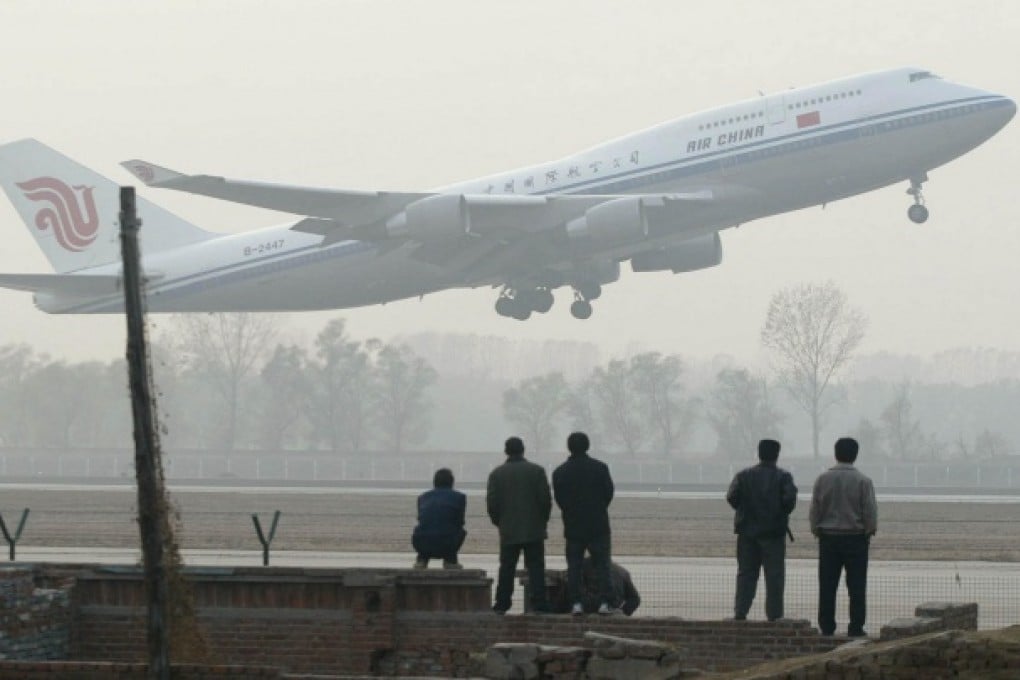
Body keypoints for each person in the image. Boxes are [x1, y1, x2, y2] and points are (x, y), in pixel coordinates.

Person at [809, 437, 878, 637]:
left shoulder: (822, 479)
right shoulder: (863, 481)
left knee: (827, 585)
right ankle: (855, 626)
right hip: (855, 538)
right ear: (855, 455)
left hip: (829, 539)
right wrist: (869, 531)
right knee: (856, 586)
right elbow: (870, 512)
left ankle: (827, 626)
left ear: (835, 453)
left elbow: (815, 509)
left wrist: (817, 530)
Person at [726, 438, 798, 622]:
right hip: (773, 534)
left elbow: (732, 497)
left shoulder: (743, 476)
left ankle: (740, 611)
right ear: (777, 455)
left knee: (746, 573)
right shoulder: (783, 477)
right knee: (774, 576)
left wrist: (745, 511)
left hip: (747, 533)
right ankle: (774, 615)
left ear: (758, 453)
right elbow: (789, 501)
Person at [486, 436, 553, 614]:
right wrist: (541, 521)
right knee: (536, 567)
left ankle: (502, 603)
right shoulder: (537, 471)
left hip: (508, 529)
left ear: (506, 451)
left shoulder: (496, 474)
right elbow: (545, 501)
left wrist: (500, 522)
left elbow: (492, 504)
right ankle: (539, 603)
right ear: (523, 450)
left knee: (507, 567)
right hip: (534, 529)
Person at [552, 431, 616, 615]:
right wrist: (597, 509)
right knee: (603, 565)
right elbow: (608, 493)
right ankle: (605, 602)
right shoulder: (600, 468)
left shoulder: (560, 472)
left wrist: (572, 513)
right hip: (598, 525)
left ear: (569, 447)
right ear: (587, 446)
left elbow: (560, 499)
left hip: (573, 526)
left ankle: (576, 603)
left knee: (574, 567)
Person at [411, 467, 467, 569]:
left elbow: (421, 519)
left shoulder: (423, 497)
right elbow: (460, 522)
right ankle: (450, 560)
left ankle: (422, 559)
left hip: (421, 542)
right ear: (452, 482)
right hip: (447, 543)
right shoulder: (460, 497)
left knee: (425, 528)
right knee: (460, 531)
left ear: (434, 482)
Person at [551, 558, 641, 615]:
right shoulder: (622, 571)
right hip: (612, 609)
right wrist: (623, 612)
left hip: (587, 609)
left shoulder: (583, 566)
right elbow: (635, 599)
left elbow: (569, 588)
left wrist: (557, 610)